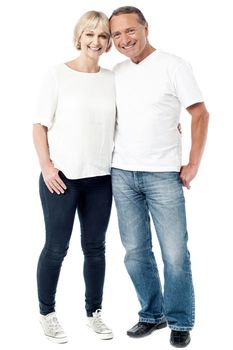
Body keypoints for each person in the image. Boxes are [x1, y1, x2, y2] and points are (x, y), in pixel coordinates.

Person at [109, 6, 209, 348]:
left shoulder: (174, 65)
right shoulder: (116, 72)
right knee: (135, 251)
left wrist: (192, 163)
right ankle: (152, 314)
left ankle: (180, 320)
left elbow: (199, 113)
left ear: (146, 28)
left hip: (163, 175)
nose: (124, 40)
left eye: (130, 31)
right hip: (121, 173)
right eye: (117, 34)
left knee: (175, 254)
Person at [33, 10, 115, 343]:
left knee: (95, 249)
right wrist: (47, 167)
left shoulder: (113, 78)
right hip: (62, 178)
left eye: (103, 36)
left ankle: (94, 313)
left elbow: (130, 118)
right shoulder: (56, 75)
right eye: (90, 35)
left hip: (101, 179)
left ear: (108, 42)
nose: (96, 42)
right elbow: (39, 125)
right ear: (79, 37)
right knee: (56, 248)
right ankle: (47, 313)